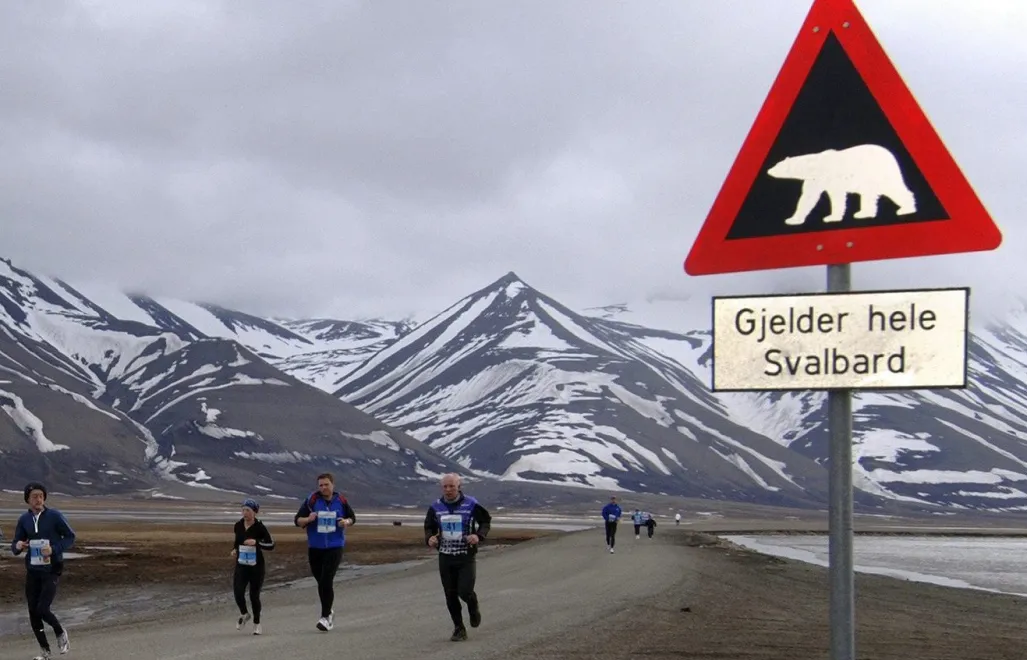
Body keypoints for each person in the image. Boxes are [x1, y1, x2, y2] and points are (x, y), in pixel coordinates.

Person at [9, 482, 75, 660]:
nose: (38, 499)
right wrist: (18, 545)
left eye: (41, 496)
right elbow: (15, 544)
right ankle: (45, 652)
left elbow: (70, 537)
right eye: (34, 496)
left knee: (43, 609)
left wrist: (54, 549)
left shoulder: (54, 516)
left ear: (44, 498)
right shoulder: (24, 520)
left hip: (52, 569)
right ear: (28, 500)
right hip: (33, 571)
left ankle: (60, 632)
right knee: (33, 612)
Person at [424, 473, 492, 642]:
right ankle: (459, 628)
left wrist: (478, 536)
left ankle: (472, 604)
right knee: (450, 594)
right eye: (445, 487)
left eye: (451, 486)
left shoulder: (471, 504)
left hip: (466, 555)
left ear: (459, 487)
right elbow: (429, 527)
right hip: (445, 556)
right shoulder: (436, 507)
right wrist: (430, 538)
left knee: (464, 591)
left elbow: (485, 521)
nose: (448, 490)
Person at [293, 472, 356, 632]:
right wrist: (308, 519)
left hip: (335, 546)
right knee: (321, 582)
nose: (323, 488)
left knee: (327, 580)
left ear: (332, 485)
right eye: (320, 485)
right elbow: (297, 520)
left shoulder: (340, 500)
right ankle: (329, 611)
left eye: (326, 484)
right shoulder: (312, 500)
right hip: (315, 547)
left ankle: (325, 617)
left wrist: (345, 522)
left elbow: (352, 517)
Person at [231, 498, 276, 635]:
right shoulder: (238, 525)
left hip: (256, 567)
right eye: (243, 510)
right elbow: (237, 542)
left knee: (254, 596)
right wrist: (234, 550)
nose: (245, 513)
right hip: (241, 565)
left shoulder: (260, 527)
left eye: (248, 510)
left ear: (254, 512)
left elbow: (271, 545)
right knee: (238, 592)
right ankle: (244, 614)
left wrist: (256, 542)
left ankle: (257, 623)